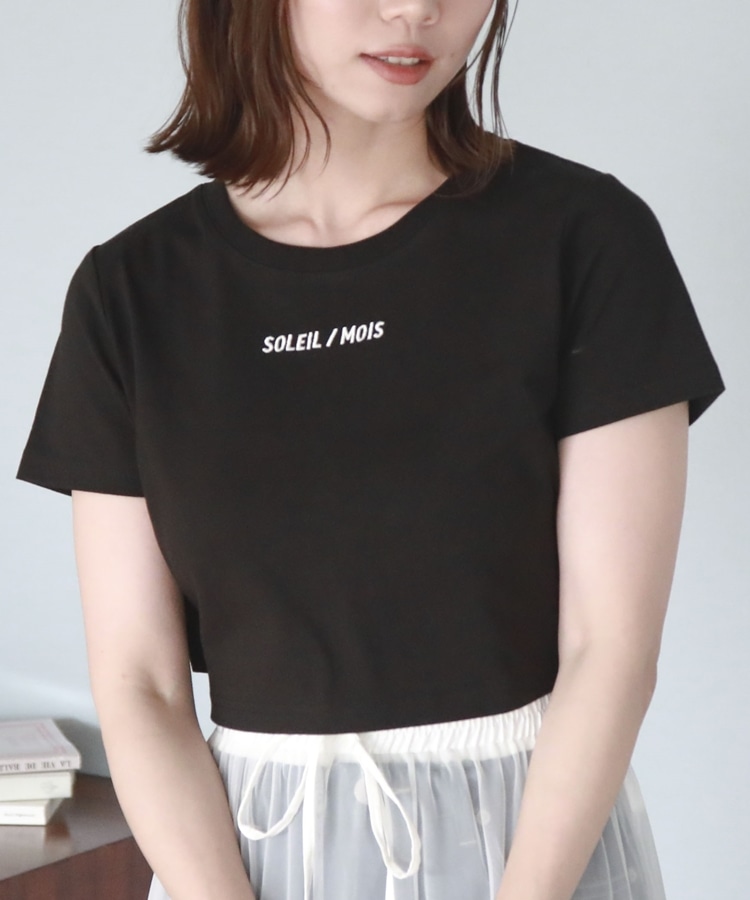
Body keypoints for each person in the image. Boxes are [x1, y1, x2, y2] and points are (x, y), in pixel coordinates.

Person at [15, 0, 725, 898]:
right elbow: (140, 684)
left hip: (531, 847)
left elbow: (609, 651)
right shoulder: (132, 293)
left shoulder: (584, 238)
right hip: (240, 858)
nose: (417, 9)